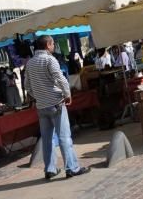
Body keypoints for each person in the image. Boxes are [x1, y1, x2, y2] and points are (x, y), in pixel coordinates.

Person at [24, 35, 90, 180]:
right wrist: (67, 94)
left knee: (47, 139)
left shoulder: (30, 63)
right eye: (53, 44)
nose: (54, 46)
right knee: (64, 137)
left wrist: (39, 96)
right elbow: (60, 79)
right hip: (56, 103)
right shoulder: (49, 59)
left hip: (42, 107)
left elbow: (27, 86)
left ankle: (50, 169)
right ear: (48, 44)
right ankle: (72, 167)